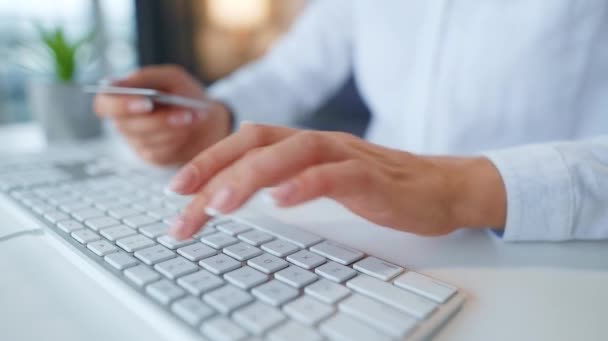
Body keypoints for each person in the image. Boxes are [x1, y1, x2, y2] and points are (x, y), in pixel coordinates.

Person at [94, 1, 608, 242]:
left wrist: (463, 188)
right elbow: (291, 73)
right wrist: (211, 117)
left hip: (556, 262)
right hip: (372, 246)